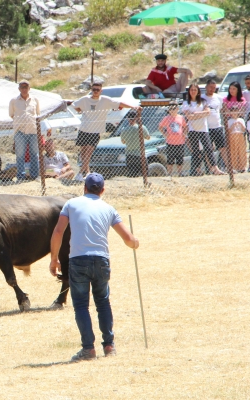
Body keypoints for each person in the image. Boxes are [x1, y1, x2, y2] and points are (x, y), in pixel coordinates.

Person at [49, 172, 139, 362]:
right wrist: (135, 243)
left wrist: (54, 259)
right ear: (103, 190)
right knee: (103, 302)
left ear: (84, 188)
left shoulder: (71, 204)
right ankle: (109, 345)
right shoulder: (109, 209)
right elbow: (129, 240)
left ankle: (88, 349)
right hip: (101, 260)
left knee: (81, 305)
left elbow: (58, 232)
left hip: (78, 260)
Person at [73, 82, 138, 181]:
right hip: (84, 129)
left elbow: (119, 103)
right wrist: (80, 110)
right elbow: (74, 105)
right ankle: (88, 173)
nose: (95, 91)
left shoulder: (105, 100)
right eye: (94, 89)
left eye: (97, 90)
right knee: (83, 152)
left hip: (95, 130)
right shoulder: (85, 99)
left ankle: (80, 173)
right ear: (91, 90)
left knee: (89, 153)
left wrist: (133, 107)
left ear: (101, 91)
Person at [182, 83, 224, 176]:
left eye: (195, 90)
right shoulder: (186, 103)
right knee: (196, 150)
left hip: (203, 129)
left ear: (198, 92)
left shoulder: (203, 101)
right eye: (191, 90)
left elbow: (207, 112)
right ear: (189, 91)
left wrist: (195, 113)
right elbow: (189, 116)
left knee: (208, 148)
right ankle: (197, 170)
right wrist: (201, 114)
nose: (193, 91)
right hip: (193, 129)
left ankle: (215, 169)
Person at [9, 79, 40, 181]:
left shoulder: (35, 100)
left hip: (33, 131)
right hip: (20, 131)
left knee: (34, 154)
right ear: (19, 89)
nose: (24, 89)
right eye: (22, 87)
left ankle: (34, 175)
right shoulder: (14, 101)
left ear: (29, 88)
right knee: (20, 154)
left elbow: (37, 114)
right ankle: (21, 176)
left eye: (26, 87)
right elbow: (11, 114)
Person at [202, 79, 228, 171]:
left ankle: (228, 167)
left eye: (214, 88)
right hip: (206, 128)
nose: (212, 89)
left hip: (217, 126)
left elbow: (221, 110)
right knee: (208, 149)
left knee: (223, 147)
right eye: (210, 87)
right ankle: (210, 169)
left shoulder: (218, 98)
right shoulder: (201, 98)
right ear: (206, 87)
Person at [159, 102, 188, 177]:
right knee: (170, 160)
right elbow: (160, 127)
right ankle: (170, 174)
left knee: (180, 159)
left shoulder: (181, 117)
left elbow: (185, 127)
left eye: (174, 108)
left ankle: (180, 173)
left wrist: (184, 134)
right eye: (170, 109)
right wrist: (165, 134)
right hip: (170, 142)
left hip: (180, 142)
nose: (172, 110)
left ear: (177, 109)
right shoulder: (166, 118)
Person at [119, 110, 150, 177]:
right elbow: (148, 137)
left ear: (127, 118)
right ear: (136, 118)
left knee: (132, 174)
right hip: (140, 154)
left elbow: (123, 141)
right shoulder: (141, 128)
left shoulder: (124, 129)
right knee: (145, 173)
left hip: (129, 155)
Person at [227, 108, 247, 173]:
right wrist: (233, 125)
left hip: (240, 135)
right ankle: (234, 167)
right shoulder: (229, 121)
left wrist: (240, 124)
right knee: (233, 151)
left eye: (236, 112)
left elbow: (244, 130)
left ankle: (242, 167)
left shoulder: (241, 120)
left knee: (241, 151)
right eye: (233, 112)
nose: (234, 113)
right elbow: (229, 131)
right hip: (232, 135)